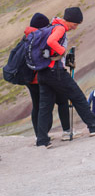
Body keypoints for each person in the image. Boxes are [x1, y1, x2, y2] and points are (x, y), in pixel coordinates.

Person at [35, 7, 95, 147]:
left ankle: (42, 140)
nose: (75, 28)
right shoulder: (60, 29)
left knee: (45, 106)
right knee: (77, 96)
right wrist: (62, 52)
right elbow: (52, 42)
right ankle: (94, 126)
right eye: (75, 24)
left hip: (43, 72)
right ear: (70, 21)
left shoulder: (51, 26)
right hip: (55, 71)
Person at [22, 13, 73, 141]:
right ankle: (66, 132)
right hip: (45, 75)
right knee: (61, 101)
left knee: (37, 106)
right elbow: (50, 55)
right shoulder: (41, 36)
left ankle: (39, 136)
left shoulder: (27, 37)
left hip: (30, 78)